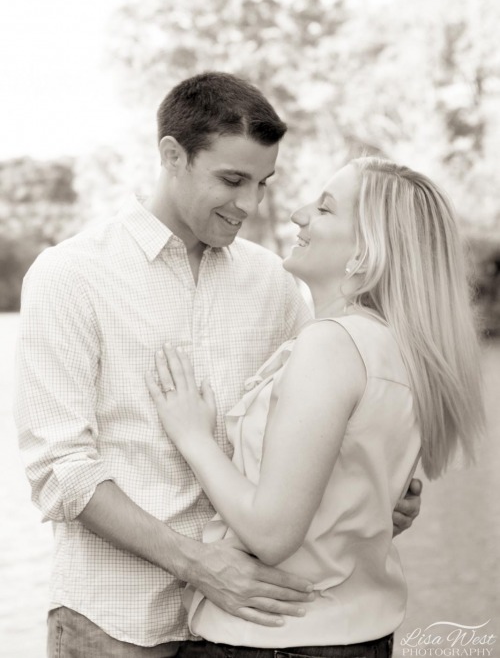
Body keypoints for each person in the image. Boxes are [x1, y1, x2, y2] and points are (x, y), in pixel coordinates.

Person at [14, 73, 421, 657]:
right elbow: (61, 470)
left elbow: (308, 431)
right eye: (232, 180)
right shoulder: (69, 276)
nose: (251, 205)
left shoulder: (276, 283)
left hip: (249, 633)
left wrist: (378, 487)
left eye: (263, 182)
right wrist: (200, 564)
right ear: (173, 156)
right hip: (115, 625)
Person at [148, 157, 484, 657]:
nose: (298, 215)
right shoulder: (403, 348)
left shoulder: (332, 345)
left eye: (324, 210)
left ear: (365, 250)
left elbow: (272, 533)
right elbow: (360, 500)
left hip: (276, 641)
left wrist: (193, 434)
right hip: (356, 635)